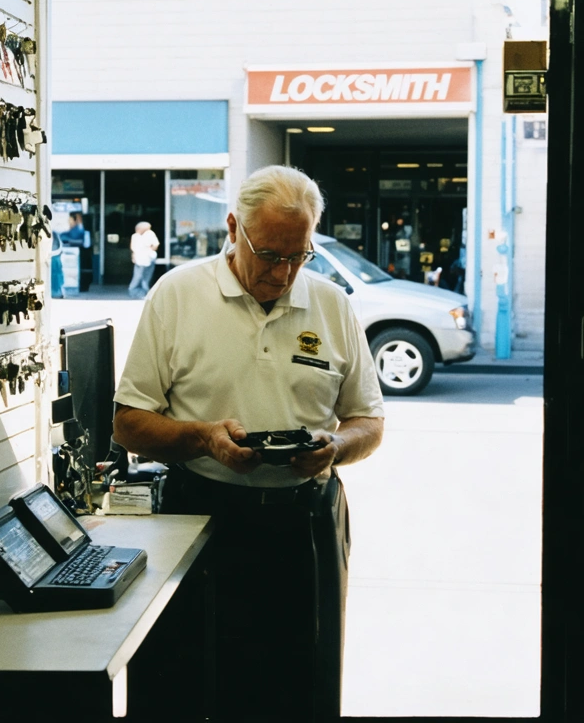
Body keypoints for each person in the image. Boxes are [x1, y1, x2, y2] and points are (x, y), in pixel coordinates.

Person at [113, 165, 385, 721]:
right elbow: (128, 423)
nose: (283, 273)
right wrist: (203, 439)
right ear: (233, 229)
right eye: (269, 254)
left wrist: (334, 446)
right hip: (200, 518)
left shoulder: (332, 304)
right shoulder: (178, 295)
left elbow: (368, 422)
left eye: (298, 255)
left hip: (304, 522)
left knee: (299, 685)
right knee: (190, 684)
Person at [128, 221, 160, 298]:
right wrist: (133, 257)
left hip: (148, 258)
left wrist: (149, 251)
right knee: (138, 276)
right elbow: (133, 248)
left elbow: (156, 244)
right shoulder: (135, 236)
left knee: (146, 277)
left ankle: (144, 293)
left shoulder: (150, 234)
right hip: (139, 259)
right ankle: (133, 292)